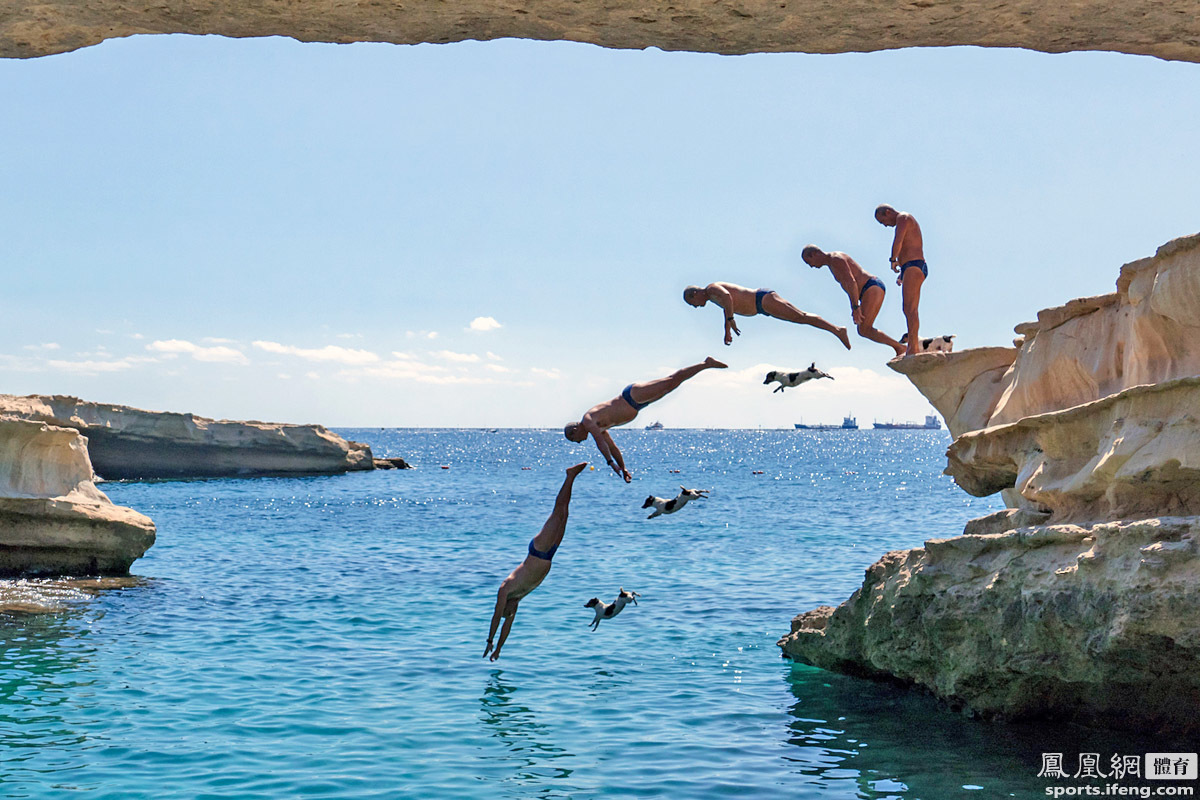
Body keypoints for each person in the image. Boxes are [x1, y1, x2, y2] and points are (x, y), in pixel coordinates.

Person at [483, 462, 587, 662]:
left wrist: (489, 641)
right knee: (564, 514)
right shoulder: (517, 598)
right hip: (550, 554)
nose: (512, 614)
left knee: (557, 512)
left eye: (509, 612)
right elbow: (507, 626)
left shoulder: (505, 589)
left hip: (539, 550)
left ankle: (569, 475)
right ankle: (571, 478)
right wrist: (499, 649)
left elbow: (497, 617)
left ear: (505, 606)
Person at [564, 357, 727, 482]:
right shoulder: (598, 427)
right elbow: (612, 447)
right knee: (671, 386)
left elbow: (600, 443)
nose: (578, 442)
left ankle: (705, 364)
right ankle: (704, 365)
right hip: (637, 404)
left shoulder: (588, 420)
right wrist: (623, 467)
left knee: (670, 381)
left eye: (574, 440)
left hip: (632, 396)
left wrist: (610, 464)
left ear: (574, 431)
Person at [801, 245, 905, 357]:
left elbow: (851, 282)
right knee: (863, 330)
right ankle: (899, 347)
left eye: (809, 262)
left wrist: (855, 307)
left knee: (864, 329)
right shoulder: (832, 263)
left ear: (814, 254)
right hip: (867, 291)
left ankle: (900, 347)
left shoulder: (836, 259)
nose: (811, 266)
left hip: (871, 287)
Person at [681, 282, 851, 349]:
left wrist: (732, 320)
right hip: (762, 308)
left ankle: (838, 330)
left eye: (692, 303)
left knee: (801, 317)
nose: (695, 307)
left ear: (695, 294)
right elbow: (726, 308)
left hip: (762, 299)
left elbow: (727, 297)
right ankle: (837, 330)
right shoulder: (711, 298)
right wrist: (727, 331)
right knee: (800, 319)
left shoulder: (712, 288)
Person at [874, 204, 927, 357]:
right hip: (910, 267)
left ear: (888, 212)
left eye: (883, 221)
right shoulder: (902, 220)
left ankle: (913, 347)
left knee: (910, 309)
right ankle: (913, 346)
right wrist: (902, 272)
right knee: (908, 309)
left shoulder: (903, 218)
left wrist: (893, 259)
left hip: (915, 265)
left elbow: (898, 240)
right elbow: (906, 246)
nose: (885, 225)